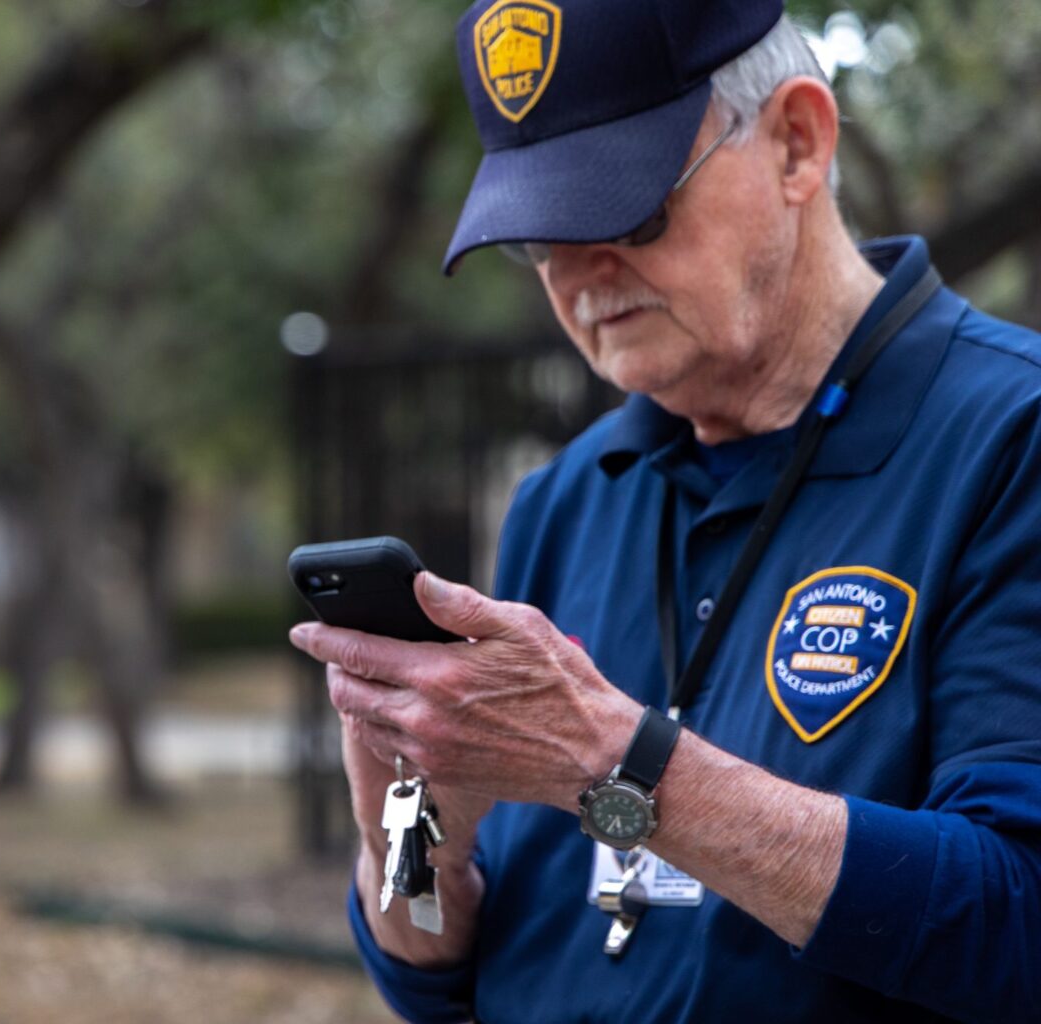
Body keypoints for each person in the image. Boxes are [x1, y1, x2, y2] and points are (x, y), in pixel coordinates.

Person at [288, 2, 1041, 1021]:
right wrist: (408, 840)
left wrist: (614, 759)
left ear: (797, 144)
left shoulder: (1009, 437)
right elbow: (440, 981)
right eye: (540, 236)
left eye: (631, 212)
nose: (583, 276)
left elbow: (1020, 926)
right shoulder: (564, 497)